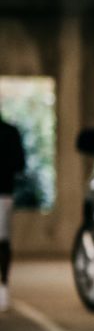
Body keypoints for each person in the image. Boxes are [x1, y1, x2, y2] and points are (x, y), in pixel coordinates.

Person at [0, 117, 26, 311]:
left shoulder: (9, 132)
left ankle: (3, 285)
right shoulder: (10, 131)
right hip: (5, 192)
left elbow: (19, 163)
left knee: (2, 240)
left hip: (3, 193)